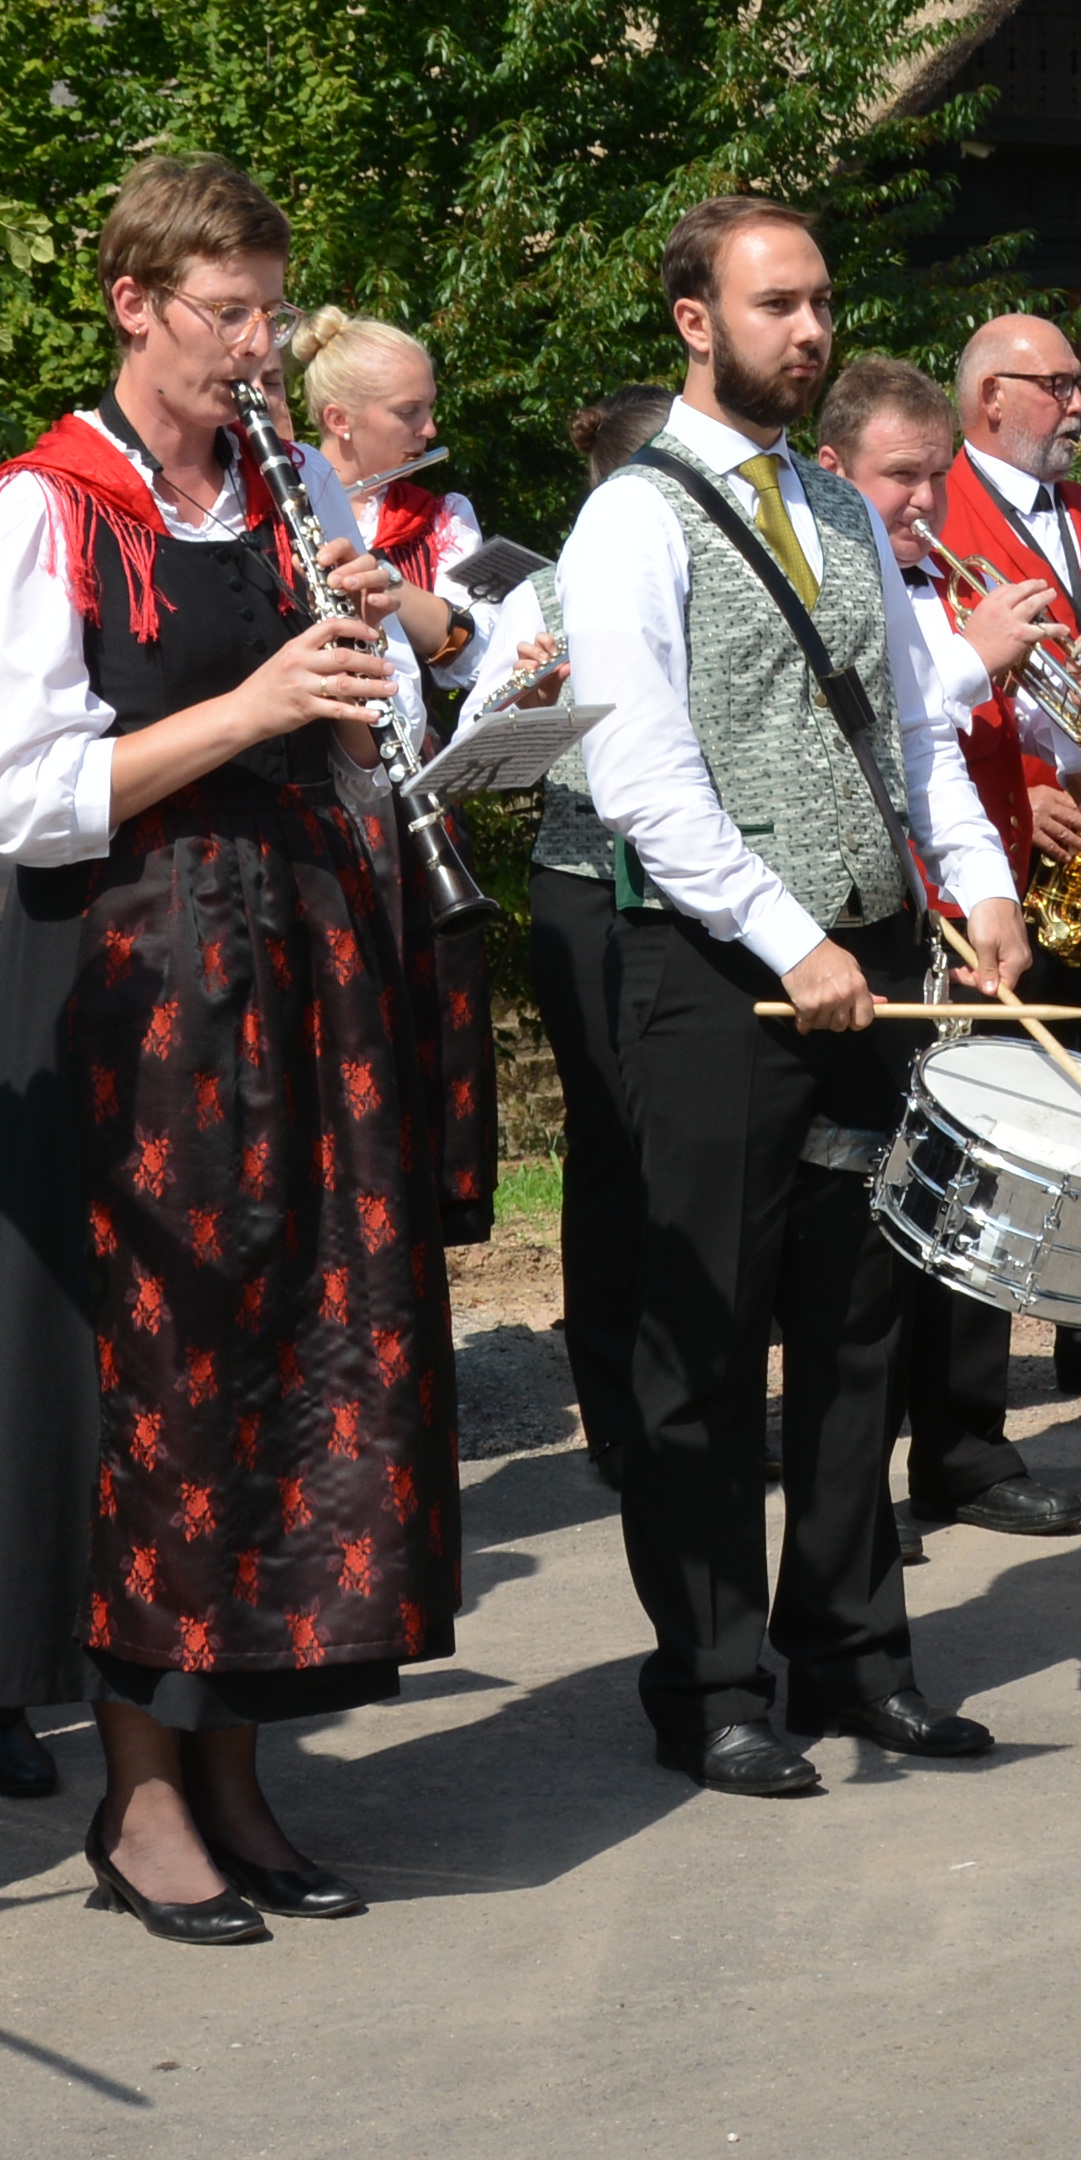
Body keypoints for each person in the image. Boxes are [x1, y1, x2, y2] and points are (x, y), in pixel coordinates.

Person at [0, 151, 456, 1940]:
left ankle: (243, 1769)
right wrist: (252, 706)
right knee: (152, 1387)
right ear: (131, 304)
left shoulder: (292, 483)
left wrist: (373, 669)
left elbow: (338, 729)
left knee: (290, 1360)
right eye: (221, 314)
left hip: (297, 960)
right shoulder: (38, 508)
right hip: (127, 986)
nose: (251, 349)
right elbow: (23, 802)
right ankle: (140, 1799)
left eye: (267, 314)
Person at [557, 246, 1022, 1796]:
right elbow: (640, 778)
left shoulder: (837, 505)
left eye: (824, 300)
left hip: (873, 959)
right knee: (702, 1338)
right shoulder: (631, 515)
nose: (813, 329)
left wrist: (978, 881)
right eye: (779, 305)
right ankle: (706, 1678)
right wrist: (786, 935)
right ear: (695, 321)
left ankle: (853, 1651)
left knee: (856, 1326)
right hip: (710, 976)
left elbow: (907, 718)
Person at [819, 352, 1079, 1545]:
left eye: (935, 478)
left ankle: (968, 1444)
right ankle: (860, 1475)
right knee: (877, 1208)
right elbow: (874, 715)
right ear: (832, 471)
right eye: (898, 479)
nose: (924, 503)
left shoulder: (934, 576)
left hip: (976, 910)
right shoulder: (829, 573)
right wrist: (977, 652)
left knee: (983, 1191)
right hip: (870, 923)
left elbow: (979, 740)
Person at [939, 308, 1081, 1400]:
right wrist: (1032, 786)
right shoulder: (939, 497)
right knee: (1000, 1121)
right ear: (991, 398)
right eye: (1060, 385)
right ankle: (967, 1405)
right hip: (998, 847)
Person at [488, 387, 658, 1494]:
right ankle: (615, 1408)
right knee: (609, 1151)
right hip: (588, 888)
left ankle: (701, 1391)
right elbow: (485, 759)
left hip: (699, 894)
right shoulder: (544, 592)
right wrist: (523, 696)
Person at [301, 310, 499, 1252]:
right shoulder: (277, 497)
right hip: (317, 805)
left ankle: (424, 1229)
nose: (428, 431)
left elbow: (465, 653)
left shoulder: (437, 518)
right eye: (409, 413)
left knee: (431, 1031)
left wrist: (390, 586)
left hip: (415, 802)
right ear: (340, 421)